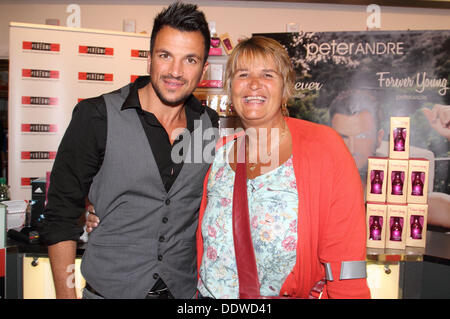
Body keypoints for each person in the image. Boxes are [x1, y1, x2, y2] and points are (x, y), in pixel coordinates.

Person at [38, 2, 219, 299]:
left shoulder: (209, 125)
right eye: (165, 56)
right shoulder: (95, 116)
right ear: (149, 59)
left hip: (183, 294)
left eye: (190, 60)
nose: (175, 71)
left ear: (203, 68)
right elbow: (60, 216)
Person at [195, 36, 370, 298]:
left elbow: (346, 263)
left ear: (286, 87)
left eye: (267, 74)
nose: (254, 84)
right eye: (243, 74)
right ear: (230, 89)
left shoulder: (325, 148)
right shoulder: (218, 154)